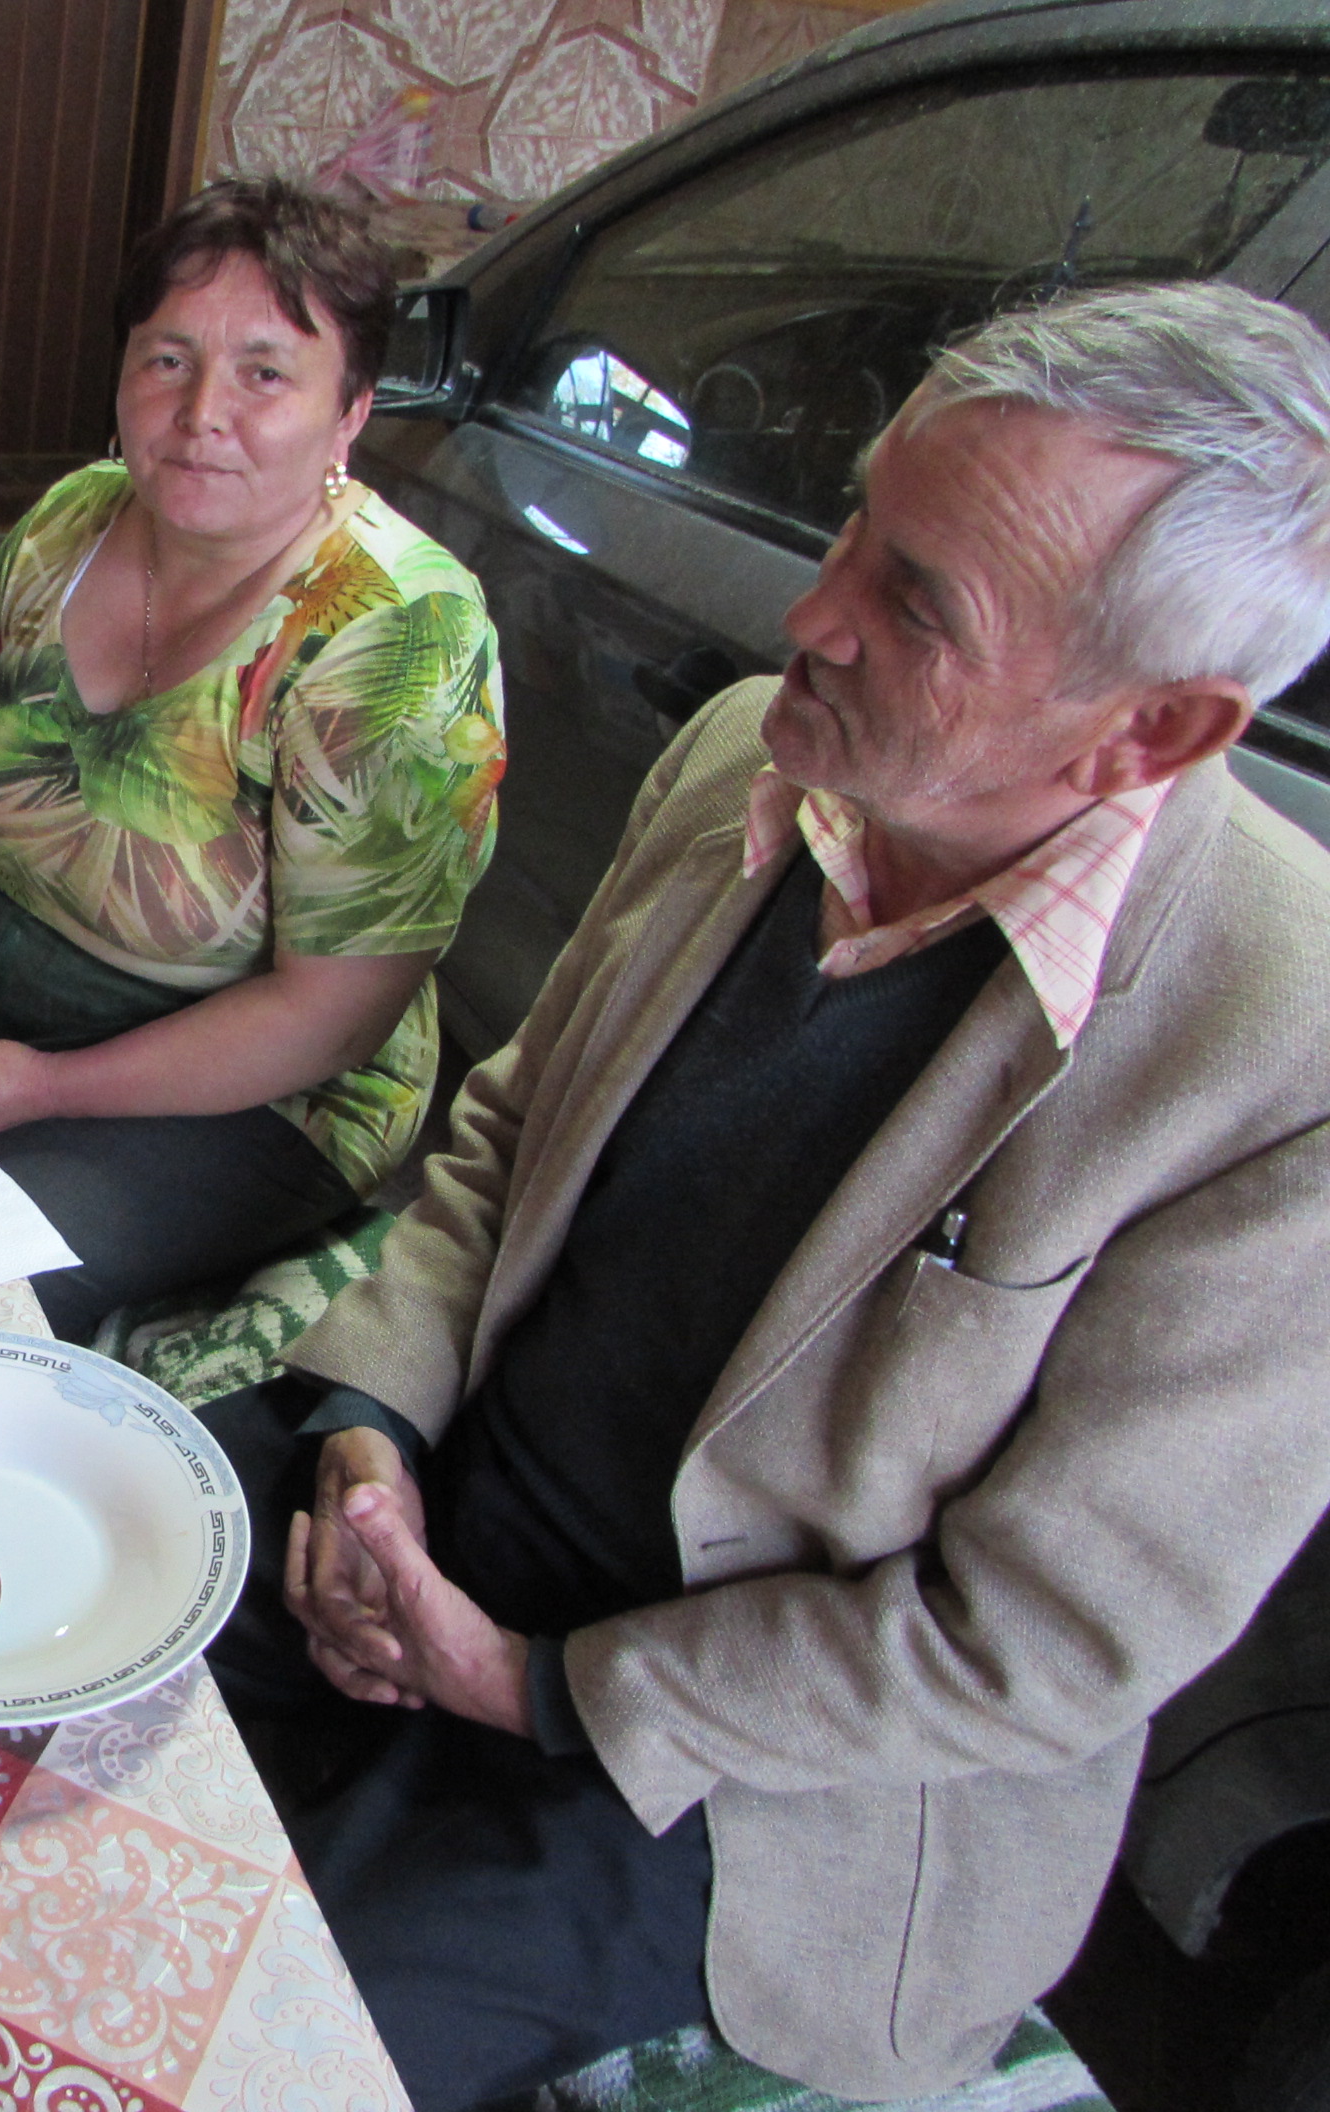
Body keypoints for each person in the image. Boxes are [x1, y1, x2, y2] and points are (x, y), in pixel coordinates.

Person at [194, 279, 1330, 2112]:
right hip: (450, 1504)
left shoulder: (1281, 1060)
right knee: (15, 1606)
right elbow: (506, 1134)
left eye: (918, 602)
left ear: (1150, 731)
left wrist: (530, 1683)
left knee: (246, 2051)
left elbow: (1039, 1643)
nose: (812, 613)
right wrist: (368, 1437)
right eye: (859, 521)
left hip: (754, 1768)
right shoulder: (754, 750)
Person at [0, 177, 505, 1342]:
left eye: (264, 373)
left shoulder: (395, 636)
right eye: (167, 359)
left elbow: (328, 1020)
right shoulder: (71, 519)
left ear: (349, 411)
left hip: (240, 1088)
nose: (201, 411)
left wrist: (48, 1087)